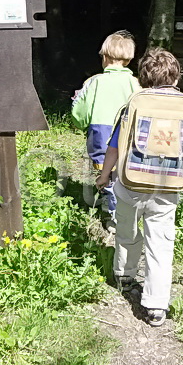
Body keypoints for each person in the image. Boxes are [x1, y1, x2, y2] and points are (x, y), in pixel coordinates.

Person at [96, 47, 183, 327]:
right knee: (160, 244)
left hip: (131, 182)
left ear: (143, 78)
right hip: (168, 185)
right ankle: (157, 305)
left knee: (126, 231)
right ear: (175, 78)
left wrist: (104, 175)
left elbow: (114, 146)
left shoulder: (134, 103)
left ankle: (125, 276)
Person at [71, 31, 140, 225]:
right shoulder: (136, 84)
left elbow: (79, 114)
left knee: (106, 173)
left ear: (105, 57)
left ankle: (114, 215)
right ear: (127, 60)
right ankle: (124, 207)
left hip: (101, 134)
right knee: (123, 172)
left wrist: (80, 123)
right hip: (128, 135)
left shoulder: (94, 82)